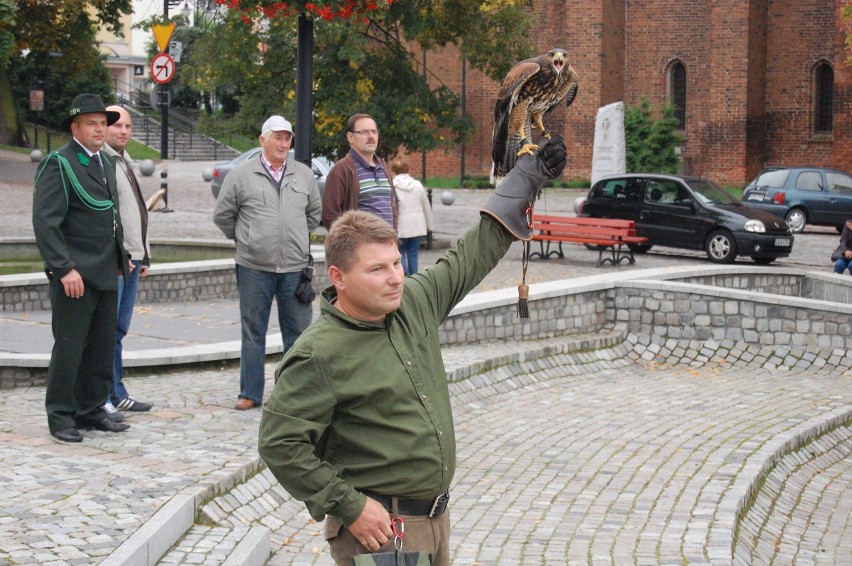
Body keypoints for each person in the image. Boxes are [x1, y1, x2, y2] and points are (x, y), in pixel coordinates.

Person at [258, 136, 566, 565]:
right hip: (382, 531)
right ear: (338, 277)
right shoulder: (318, 354)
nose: (395, 278)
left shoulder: (413, 303)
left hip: (434, 522)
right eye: (377, 269)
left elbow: (470, 256)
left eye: (397, 263)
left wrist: (525, 178)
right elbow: (280, 443)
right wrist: (350, 506)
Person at [32, 93, 132, 442]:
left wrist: (122, 259)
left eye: (103, 123)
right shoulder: (59, 163)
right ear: (75, 127)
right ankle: (60, 416)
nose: (100, 129)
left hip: (104, 271)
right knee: (71, 347)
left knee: (101, 347)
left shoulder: (104, 162)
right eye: (92, 123)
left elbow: (110, 219)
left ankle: (90, 410)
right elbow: (46, 223)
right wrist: (62, 268)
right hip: (75, 275)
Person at [213, 115, 322, 411]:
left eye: (288, 138)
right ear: (263, 140)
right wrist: (246, 238)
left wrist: (294, 236)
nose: (283, 143)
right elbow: (223, 215)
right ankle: (250, 392)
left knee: (298, 334)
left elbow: (313, 214)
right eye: (278, 137)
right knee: (253, 330)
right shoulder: (241, 174)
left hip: (295, 267)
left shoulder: (303, 174)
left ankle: (295, 393)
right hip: (253, 266)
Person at [102, 105, 153, 421]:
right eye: (117, 125)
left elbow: (136, 214)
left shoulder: (123, 161)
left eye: (128, 126)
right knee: (107, 331)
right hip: (118, 263)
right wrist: (123, 256)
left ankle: (117, 393)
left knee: (118, 330)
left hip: (132, 260)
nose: (123, 131)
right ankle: (105, 396)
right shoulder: (104, 163)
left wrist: (143, 254)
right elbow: (110, 216)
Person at [321, 113, 398, 229]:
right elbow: (330, 215)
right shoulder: (342, 170)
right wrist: (352, 245)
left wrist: (394, 239)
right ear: (350, 137)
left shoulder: (383, 167)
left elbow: (392, 207)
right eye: (364, 132)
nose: (371, 136)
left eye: (374, 131)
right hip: (360, 246)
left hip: (388, 245)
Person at [389, 155, 433, 275]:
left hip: (401, 225)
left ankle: (406, 276)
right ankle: (415, 277)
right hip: (417, 224)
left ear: (394, 171)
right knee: (413, 252)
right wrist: (429, 224)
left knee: (400, 252)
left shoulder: (392, 186)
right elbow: (426, 206)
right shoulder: (417, 184)